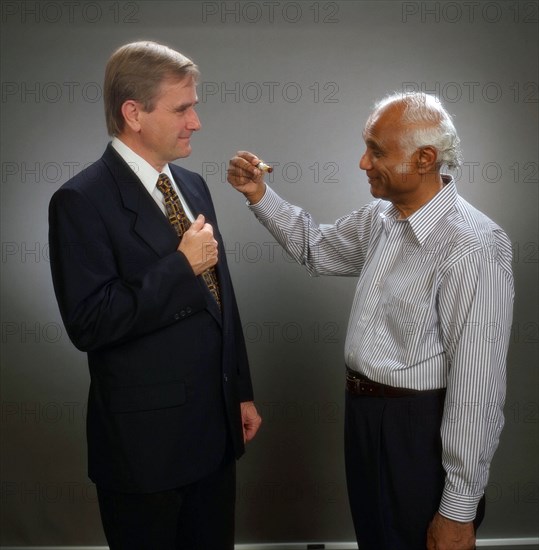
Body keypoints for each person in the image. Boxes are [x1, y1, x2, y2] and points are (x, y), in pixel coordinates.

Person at [227, 92, 513, 550]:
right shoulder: (381, 218)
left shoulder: (472, 246)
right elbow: (315, 247)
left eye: (377, 150)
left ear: (424, 159)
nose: (363, 162)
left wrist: (458, 512)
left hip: (417, 432)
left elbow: (477, 389)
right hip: (365, 418)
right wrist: (260, 195)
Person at [49, 41, 261, 549]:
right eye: (182, 108)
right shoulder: (80, 201)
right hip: (144, 452)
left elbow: (220, 298)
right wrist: (180, 266)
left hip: (214, 433)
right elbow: (90, 322)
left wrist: (240, 390)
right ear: (133, 114)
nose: (197, 122)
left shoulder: (192, 185)